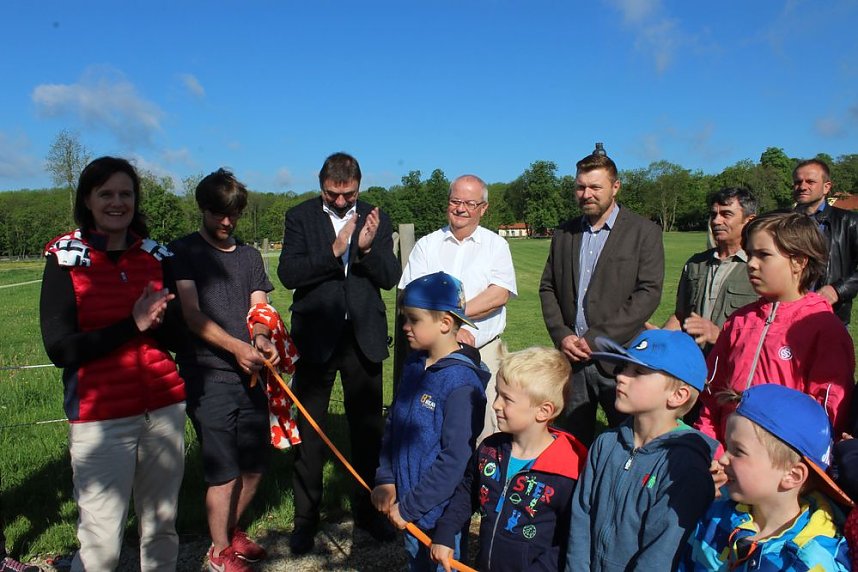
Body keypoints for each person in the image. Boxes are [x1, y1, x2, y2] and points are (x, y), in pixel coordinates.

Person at [40, 156, 186, 571]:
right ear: (88, 199)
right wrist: (134, 324)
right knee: (101, 539)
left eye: (126, 193)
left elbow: (177, 340)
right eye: (106, 194)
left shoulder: (157, 255)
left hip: (163, 407)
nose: (117, 202)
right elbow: (59, 349)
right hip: (100, 418)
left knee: (161, 526)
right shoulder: (65, 257)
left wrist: (160, 323)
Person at [278, 152, 401, 554]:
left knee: (367, 431)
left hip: (363, 337)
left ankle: (368, 514)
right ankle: (305, 522)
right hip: (315, 338)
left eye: (349, 194)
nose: (343, 202)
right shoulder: (299, 217)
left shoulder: (373, 217)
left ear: (359, 186)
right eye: (334, 194)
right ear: (321, 186)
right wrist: (335, 249)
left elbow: (390, 277)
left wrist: (364, 250)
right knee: (311, 433)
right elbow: (289, 274)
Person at [170, 169, 276, 571]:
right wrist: (235, 348)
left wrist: (262, 338)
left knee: (254, 465)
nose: (226, 222)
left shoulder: (249, 256)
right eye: (218, 214)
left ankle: (230, 532)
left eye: (233, 214)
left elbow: (259, 308)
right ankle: (218, 553)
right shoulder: (184, 252)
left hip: (252, 375)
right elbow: (192, 314)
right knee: (223, 471)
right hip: (208, 374)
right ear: (203, 209)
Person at [695, 211, 855, 450]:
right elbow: (712, 393)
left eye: (764, 255)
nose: (751, 264)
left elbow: (827, 411)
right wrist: (710, 449)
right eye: (749, 254)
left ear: (799, 262)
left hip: (779, 470)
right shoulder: (739, 320)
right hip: (723, 462)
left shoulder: (824, 328)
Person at [540, 145, 664, 446]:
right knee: (571, 441)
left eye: (595, 186)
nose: (587, 194)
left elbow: (648, 293)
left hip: (619, 359)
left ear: (615, 187)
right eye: (580, 187)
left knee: (628, 441)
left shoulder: (643, 231)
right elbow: (548, 287)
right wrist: (562, 335)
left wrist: (595, 338)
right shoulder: (566, 233)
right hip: (573, 360)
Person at [566, 330, 717, 570]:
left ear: (678, 395)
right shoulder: (606, 444)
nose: (621, 377)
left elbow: (661, 554)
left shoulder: (684, 466)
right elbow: (581, 518)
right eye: (623, 368)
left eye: (638, 372)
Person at [430, 346, 588, 572]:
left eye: (507, 399)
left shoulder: (567, 471)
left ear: (543, 411)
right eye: (497, 393)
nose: (495, 404)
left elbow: (568, 539)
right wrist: (445, 531)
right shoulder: (490, 450)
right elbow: (467, 492)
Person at [372, 272, 489, 571]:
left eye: (413, 319)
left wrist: (409, 507)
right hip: (409, 511)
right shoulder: (413, 366)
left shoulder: (461, 384)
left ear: (445, 323)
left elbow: (455, 459)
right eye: (404, 318)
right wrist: (386, 478)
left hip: (440, 518)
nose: (405, 327)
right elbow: (394, 427)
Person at [680, 384, 852, 570]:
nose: (722, 459)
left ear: (792, 475)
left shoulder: (810, 562)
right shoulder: (717, 513)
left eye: (737, 451)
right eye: (727, 446)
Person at [399, 174, 517, 444]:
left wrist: (455, 324)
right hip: (433, 355)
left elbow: (498, 294)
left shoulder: (496, 246)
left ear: (483, 208)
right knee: (429, 427)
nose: (461, 208)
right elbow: (413, 296)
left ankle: (481, 485)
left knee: (487, 428)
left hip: (484, 350)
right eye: (455, 201)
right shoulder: (427, 245)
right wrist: (452, 333)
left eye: (470, 203)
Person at [660, 187, 759, 353]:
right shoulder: (695, 263)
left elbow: (770, 334)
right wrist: (659, 339)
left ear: (749, 220)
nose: (716, 221)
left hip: (735, 367)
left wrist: (719, 336)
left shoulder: (759, 267)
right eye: (714, 214)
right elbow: (681, 316)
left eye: (726, 214)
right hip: (694, 367)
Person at [793, 158, 858, 325]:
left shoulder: (849, 222)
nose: (803, 186)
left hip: (830, 315)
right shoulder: (782, 222)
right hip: (787, 312)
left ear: (826, 187)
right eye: (798, 181)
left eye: (810, 182)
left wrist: (837, 289)